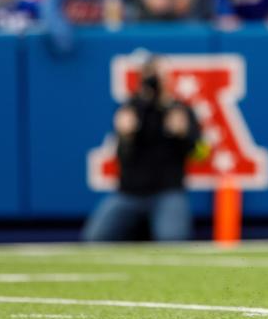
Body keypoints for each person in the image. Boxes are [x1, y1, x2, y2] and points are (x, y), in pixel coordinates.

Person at [82, 55, 202, 241]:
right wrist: (125, 136)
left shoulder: (181, 110)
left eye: (162, 74)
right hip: (129, 193)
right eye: (154, 74)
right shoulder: (131, 109)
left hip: (168, 191)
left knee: (173, 239)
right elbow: (122, 156)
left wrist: (183, 135)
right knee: (95, 237)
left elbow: (199, 153)